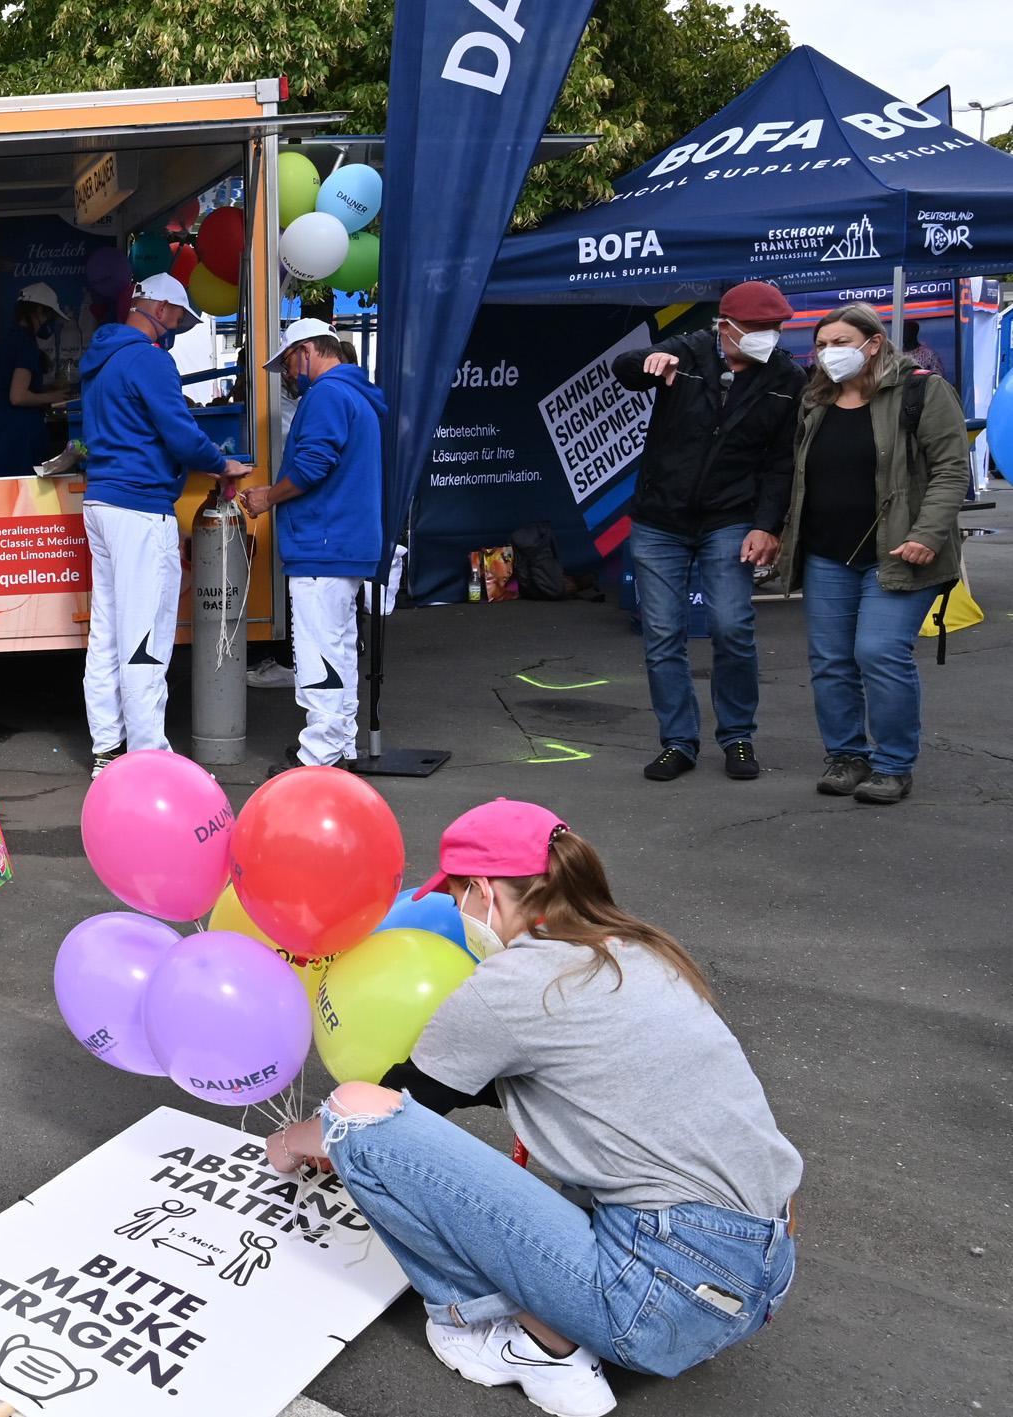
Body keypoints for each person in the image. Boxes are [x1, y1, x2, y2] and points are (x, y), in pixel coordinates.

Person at [265, 799, 800, 1417]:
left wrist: (293, 1142)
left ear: (486, 892)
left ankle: (536, 1346)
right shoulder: (638, 950)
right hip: (762, 1276)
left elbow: (392, 1106)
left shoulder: (513, 986)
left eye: (459, 894)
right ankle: (579, 1321)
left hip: (651, 1300)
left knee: (354, 1112)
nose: (457, 910)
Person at [611, 280, 804, 784]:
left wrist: (767, 526)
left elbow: (782, 463)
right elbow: (625, 370)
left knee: (732, 626)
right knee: (661, 632)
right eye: (760, 328)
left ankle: (738, 736)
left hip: (730, 518)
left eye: (776, 327)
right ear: (726, 328)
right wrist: (647, 362)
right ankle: (678, 742)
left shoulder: (786, 376)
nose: (770, 336)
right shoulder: (690, 348)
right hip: (659, 518)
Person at [779, 303, 970, 805]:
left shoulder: (923, 391)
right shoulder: (815, 399)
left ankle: (892, 764)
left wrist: (928, 534)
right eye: (821, 345)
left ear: (874, 342)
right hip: (827, 552)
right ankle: (846, 755)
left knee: (879, 652)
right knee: (831, 661)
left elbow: (952, 471)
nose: (828, 353)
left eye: (839, 342)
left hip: (901, 551)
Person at [76, 273, 248, 774]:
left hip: (102, 502)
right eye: (177, 315)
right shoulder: (149, 359)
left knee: (108, 634)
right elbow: (181, 432)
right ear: (159, 307)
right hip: (139, 506)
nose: (177, 325)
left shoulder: (101, 357)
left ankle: (108, 749)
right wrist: (221, 464)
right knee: (146, 633)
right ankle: (148, 758)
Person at [239, 319, 385, 770]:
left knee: (319, 652)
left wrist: (267, 496)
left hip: (321, 541)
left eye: (287, 362)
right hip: (348, 540)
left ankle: (317, 759)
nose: (287, 374)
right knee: (338, 648)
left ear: (307, 351)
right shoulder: (359, 393)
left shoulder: (325, 394)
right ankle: (339, 747)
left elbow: (312, 465)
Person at [0, 283, 72, 479]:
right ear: (39, 311)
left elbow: (9, 386)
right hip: (14, 432)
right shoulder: (25, 344)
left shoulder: (8, 340)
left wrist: (45, 389)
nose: (49, 323)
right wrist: (54, 396)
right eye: (49, 316)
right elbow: (18, 396)